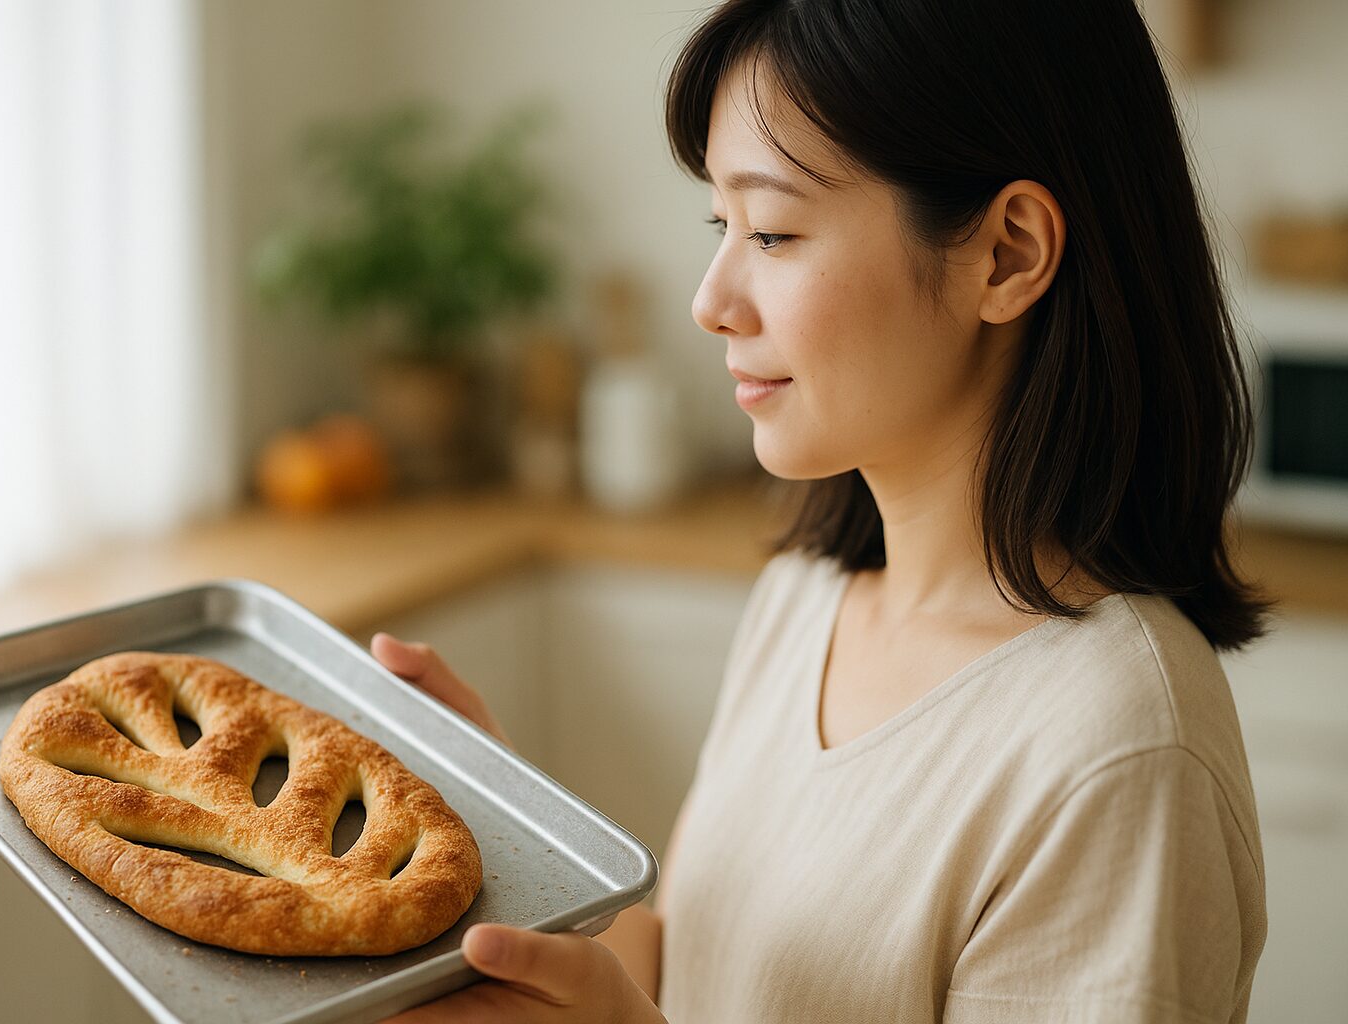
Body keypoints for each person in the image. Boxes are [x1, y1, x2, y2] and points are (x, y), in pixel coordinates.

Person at [374, 0, 1270, 1020]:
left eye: (774, 230)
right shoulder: (806, 600)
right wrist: (507, 834)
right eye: (723, 225)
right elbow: (703, 975)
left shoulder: (1120, 747)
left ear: (1009, 253)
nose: (711, 298)